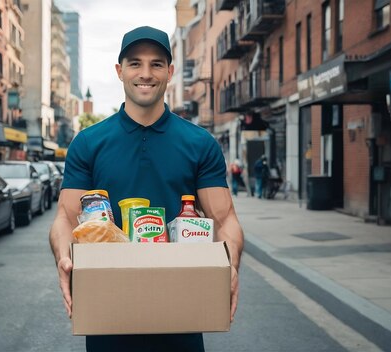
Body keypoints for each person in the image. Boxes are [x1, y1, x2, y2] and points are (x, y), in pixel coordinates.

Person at [49, 26, 244, 352]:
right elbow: (66, 219)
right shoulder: (88, 142)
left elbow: (225, 220)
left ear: (169, 72)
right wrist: (63, 258)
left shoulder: (200, 143)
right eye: (135, 63)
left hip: (181, 309)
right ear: (120, 70)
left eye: (156, 64)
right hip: (108, 310)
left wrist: (230, 264)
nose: (146, 73)